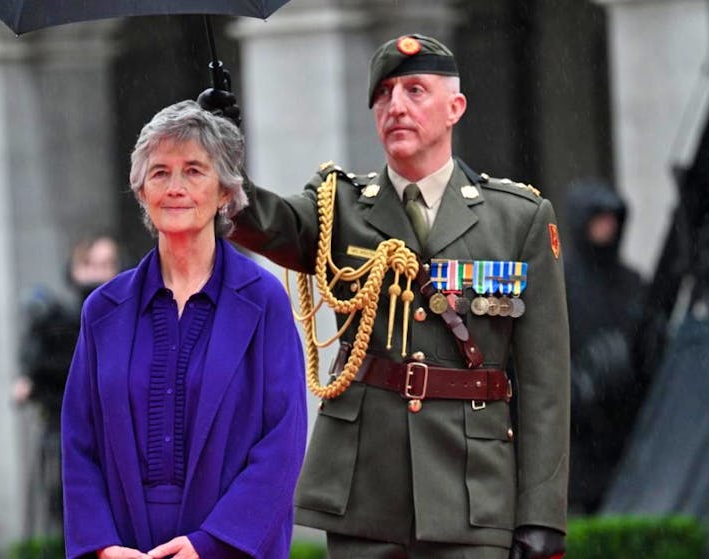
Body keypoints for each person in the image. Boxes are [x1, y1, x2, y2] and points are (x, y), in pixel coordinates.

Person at [204, 34, 570, 558]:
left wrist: (542, 516)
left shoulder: (519, 218)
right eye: (383, 95)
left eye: (415, 90)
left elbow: (545, 385)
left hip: (473, 495)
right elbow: (261, 220)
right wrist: (221, 152)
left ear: (455, 108)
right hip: (366, 490)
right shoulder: (339, 205)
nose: (395, 106)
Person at [61, 100, 307, 559]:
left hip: (230, 549)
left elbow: (283, 442)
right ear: (140, 191)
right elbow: (79, 441)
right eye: (160, 173)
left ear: (225, 193)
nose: (175, 188)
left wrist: (211, 544)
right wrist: (101, 546)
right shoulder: (103, 311)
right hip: (125, 548)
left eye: (194, 170)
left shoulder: (264, 301)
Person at [14, 234, 122, 536]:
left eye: (107, 264)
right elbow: (34, 365)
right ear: (73, 269)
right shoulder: (55, 319)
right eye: (90, 264)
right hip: (66, 435)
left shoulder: (133, 318)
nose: (98, 273)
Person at [561, 179, 646, 515]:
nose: (606, 226)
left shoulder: (632, 282)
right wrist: (581, 381)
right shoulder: (558, 281)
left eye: (613, 218)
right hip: (580, 438)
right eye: (598, 217)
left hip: (628, 434)